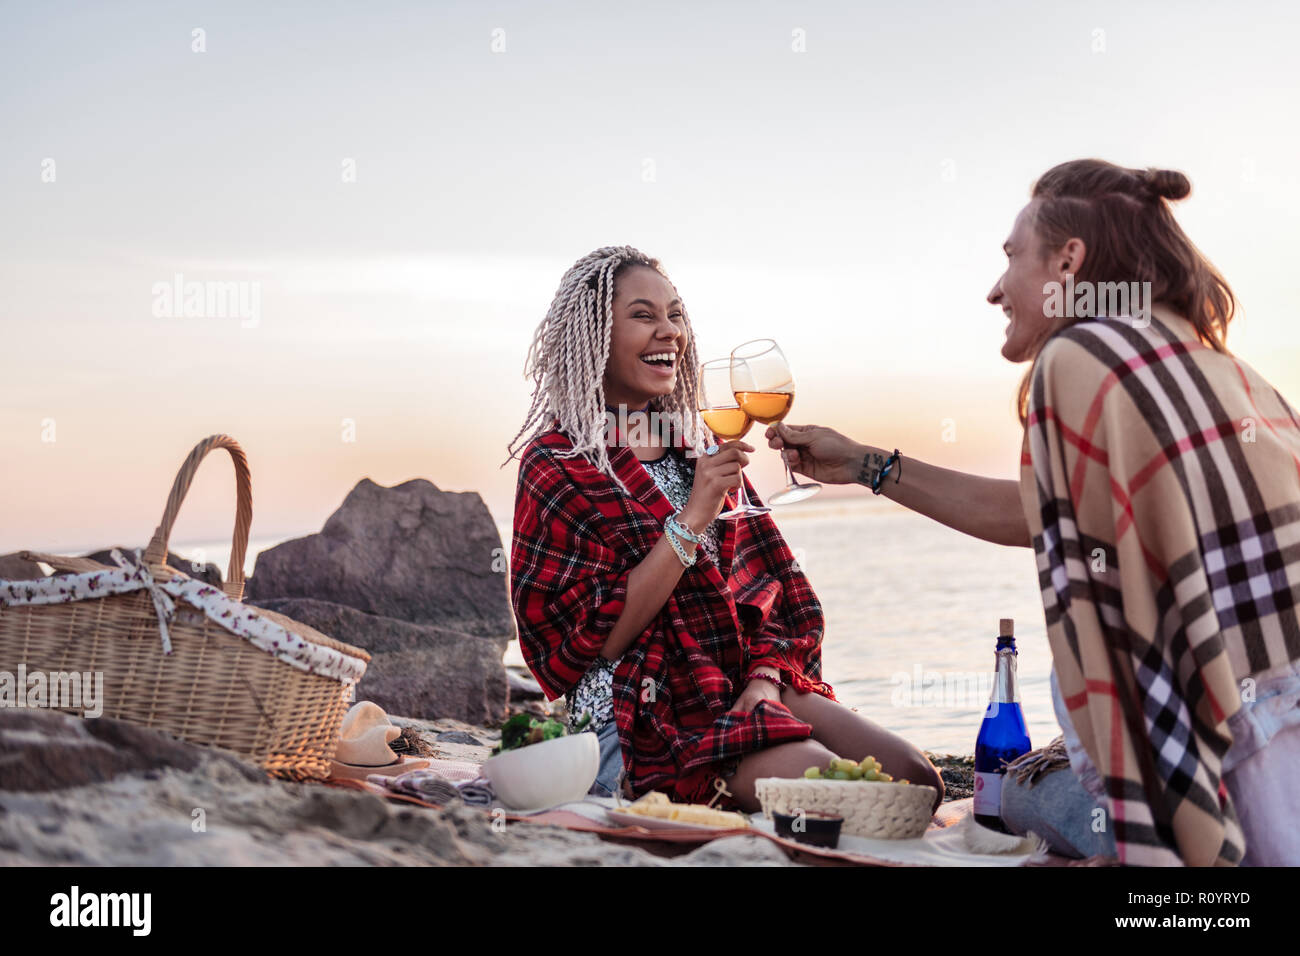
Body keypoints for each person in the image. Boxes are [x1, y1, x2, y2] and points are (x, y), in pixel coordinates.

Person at [766, 159, 1300, 866]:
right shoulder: (1227, 372)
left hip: (1231, 794)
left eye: (1012, 257)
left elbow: (1122, 657)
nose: (995, 289)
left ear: (1069, 260)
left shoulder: (1082, 357)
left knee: (1019, 792)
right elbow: (1037, 514)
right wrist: (865, 465)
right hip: (1277, 743)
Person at [505, 246, 944, 813]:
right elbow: (597, 639)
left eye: (676, 314)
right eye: (643, 316)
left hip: (739, 680)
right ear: (594, 336)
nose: (669, 332)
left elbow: (771, 595)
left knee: (917, 781)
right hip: (637, 712)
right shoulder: (559, 462)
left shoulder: (700, 447)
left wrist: (763, 682)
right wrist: (692, 517)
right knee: (850, 794)